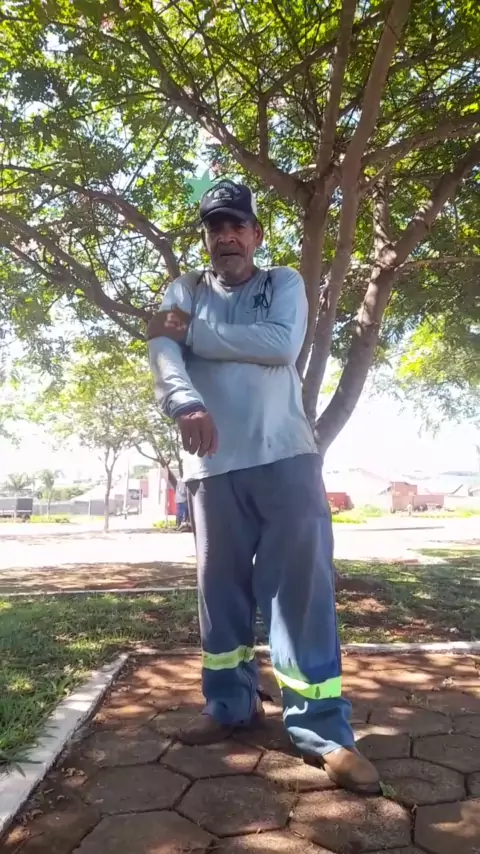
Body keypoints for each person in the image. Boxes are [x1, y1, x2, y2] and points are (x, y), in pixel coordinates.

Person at [147, 179, 380, 795]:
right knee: (219, 592)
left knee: (300, 594)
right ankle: (230, 706)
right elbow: (162, 350)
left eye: (237, 226)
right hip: (211, 468)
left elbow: (280, 344)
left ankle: (323, 732)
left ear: (255, 234)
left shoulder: (283, 283)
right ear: (206, 238)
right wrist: (184, 402)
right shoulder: (185, 289)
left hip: (286, 459)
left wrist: (193, 333)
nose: (226, 237)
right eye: (215, 228)